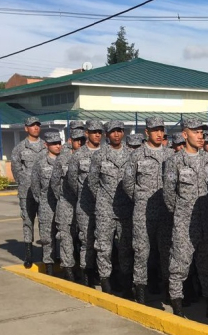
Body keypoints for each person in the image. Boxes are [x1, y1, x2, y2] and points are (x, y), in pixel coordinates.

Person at [163, 118, 208, 320]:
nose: (200, 135)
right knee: (179, 265)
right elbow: (169, 196)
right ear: (185, 135)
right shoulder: (174, 162)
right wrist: (181, 214)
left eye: (202, 132)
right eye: (196, 132)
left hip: (206, 222)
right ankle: (177, 304)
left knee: (206, 265)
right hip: (184, 223)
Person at [122, 117, 172, 304]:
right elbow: (128, 183)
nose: (159, 134)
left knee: (166, 251)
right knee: (141, 251)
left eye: (161, 130)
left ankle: (169, 290)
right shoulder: (137, 155)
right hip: (143, 212)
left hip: (165, 212)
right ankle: (141, 290)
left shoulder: (169, 155)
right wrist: (141, 199)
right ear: (147, 132)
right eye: (155, 130)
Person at [90, 120, 134, 296]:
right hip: (105, 209)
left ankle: (125, 281)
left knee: (125, 247)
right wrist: (103, 199)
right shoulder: (99, 156)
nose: (117, 134)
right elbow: (93, 183)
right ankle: (105, 281)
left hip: (125, 209)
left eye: (119, 131)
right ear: (107, 134)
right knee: (104, 247)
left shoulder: (132, 154)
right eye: (113, 131)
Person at [67, 120, 103, 287]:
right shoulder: (78, 155)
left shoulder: (106, 152)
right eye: (94, 131)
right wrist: (84, 195)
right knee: (86, 242)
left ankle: (101, 274)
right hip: (85, 206)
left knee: (104, 242)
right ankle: (87, 275)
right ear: (86, 133)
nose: (97, 134)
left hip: (105, 206)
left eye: (100, 132)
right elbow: (73, 181)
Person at [11, 116, 47, 268]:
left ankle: (47, 254)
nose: (36, 127)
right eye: (32, 125)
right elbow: (16, 168)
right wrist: (24, 182)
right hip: (27, 191)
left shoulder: (46, 146)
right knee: (28, 221)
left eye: (37, 125)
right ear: (26, 128)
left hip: (45, 191)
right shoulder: (20, 148)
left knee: (45, 222)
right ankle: (28, 254)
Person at [51, 128, 86, 281]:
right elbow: (54, 182)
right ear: (71, 141)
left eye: (83, 140)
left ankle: (84, 270)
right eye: (77, 140)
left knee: (83, 238)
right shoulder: (62, 159)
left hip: (83, 204)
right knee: (66, 239)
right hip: (66, 204)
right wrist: (63, 198)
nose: (80, 143)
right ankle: (68, 270)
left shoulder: (88, 157)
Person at [30, 131, 63, 275]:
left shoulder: (65, 160)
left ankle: (64, 263)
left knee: (64, 236)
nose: (57, 146)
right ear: (46, 145)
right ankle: (49, 265)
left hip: (63, 204)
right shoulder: (40, 163)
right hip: (46, 204)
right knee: (47, 236)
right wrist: (42, 200)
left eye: (59, 143)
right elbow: (35, 185)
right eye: (53, 143)